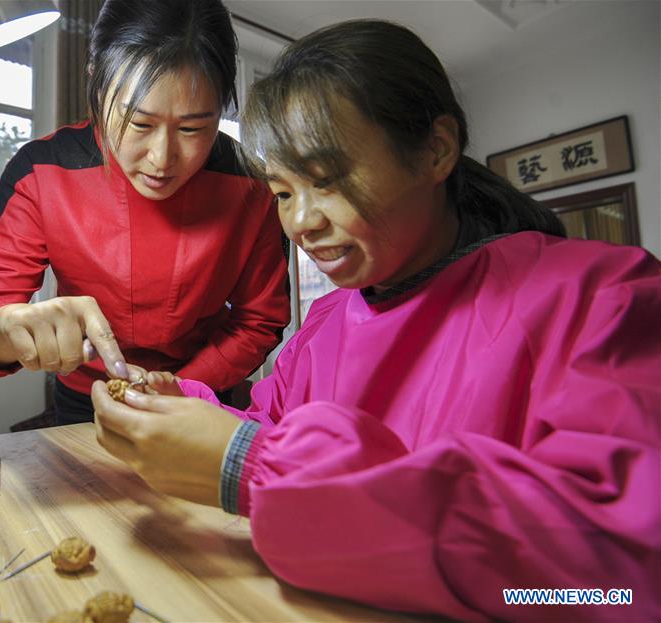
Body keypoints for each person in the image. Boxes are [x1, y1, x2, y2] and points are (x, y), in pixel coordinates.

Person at [91, 19, 660, 622]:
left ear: (436, 151)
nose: (302, 222)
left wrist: (256, 470)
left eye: (327, 180)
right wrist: (184, 406)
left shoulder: (603, 298)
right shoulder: (327, 323)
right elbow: (266, 427)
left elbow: (618, 579)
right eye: (283, 193)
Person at [0, 0, 290, 425]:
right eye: (139, 123)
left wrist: (183, 386)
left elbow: (261, 320)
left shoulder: (249, 187)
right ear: (97, 85)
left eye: (193, 128)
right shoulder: (43, 170)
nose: (162, 159)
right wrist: (6, 327)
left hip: (202, 400)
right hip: (85, 400)